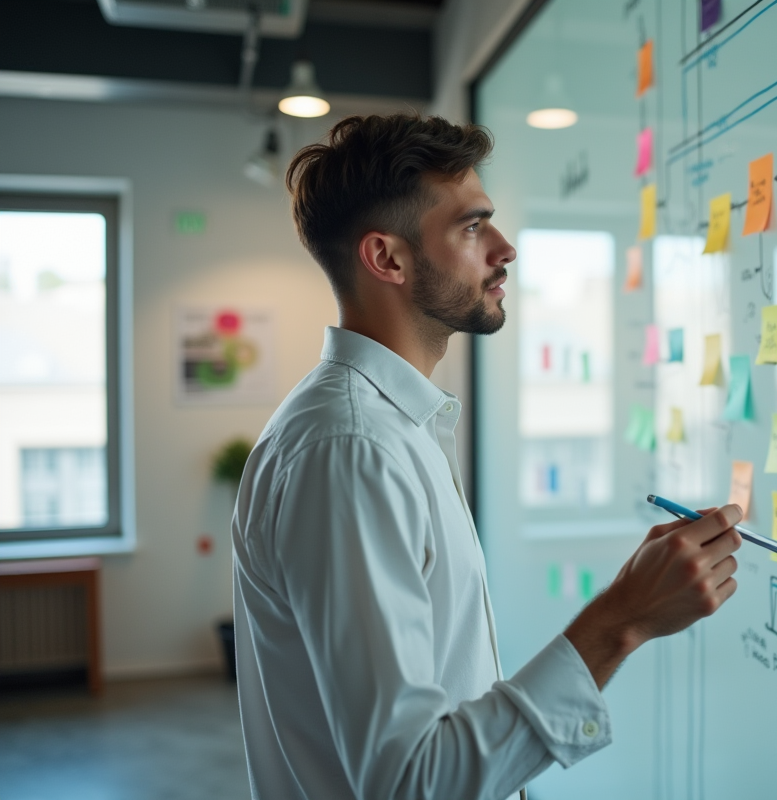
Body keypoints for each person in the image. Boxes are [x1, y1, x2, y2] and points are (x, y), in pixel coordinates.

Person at [231, 112, 742, 800]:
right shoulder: (351, 450)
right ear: (387, 258)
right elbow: (410, 783)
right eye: (472, 227)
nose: (505, 249)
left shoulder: (387, 428)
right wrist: (622, 620)